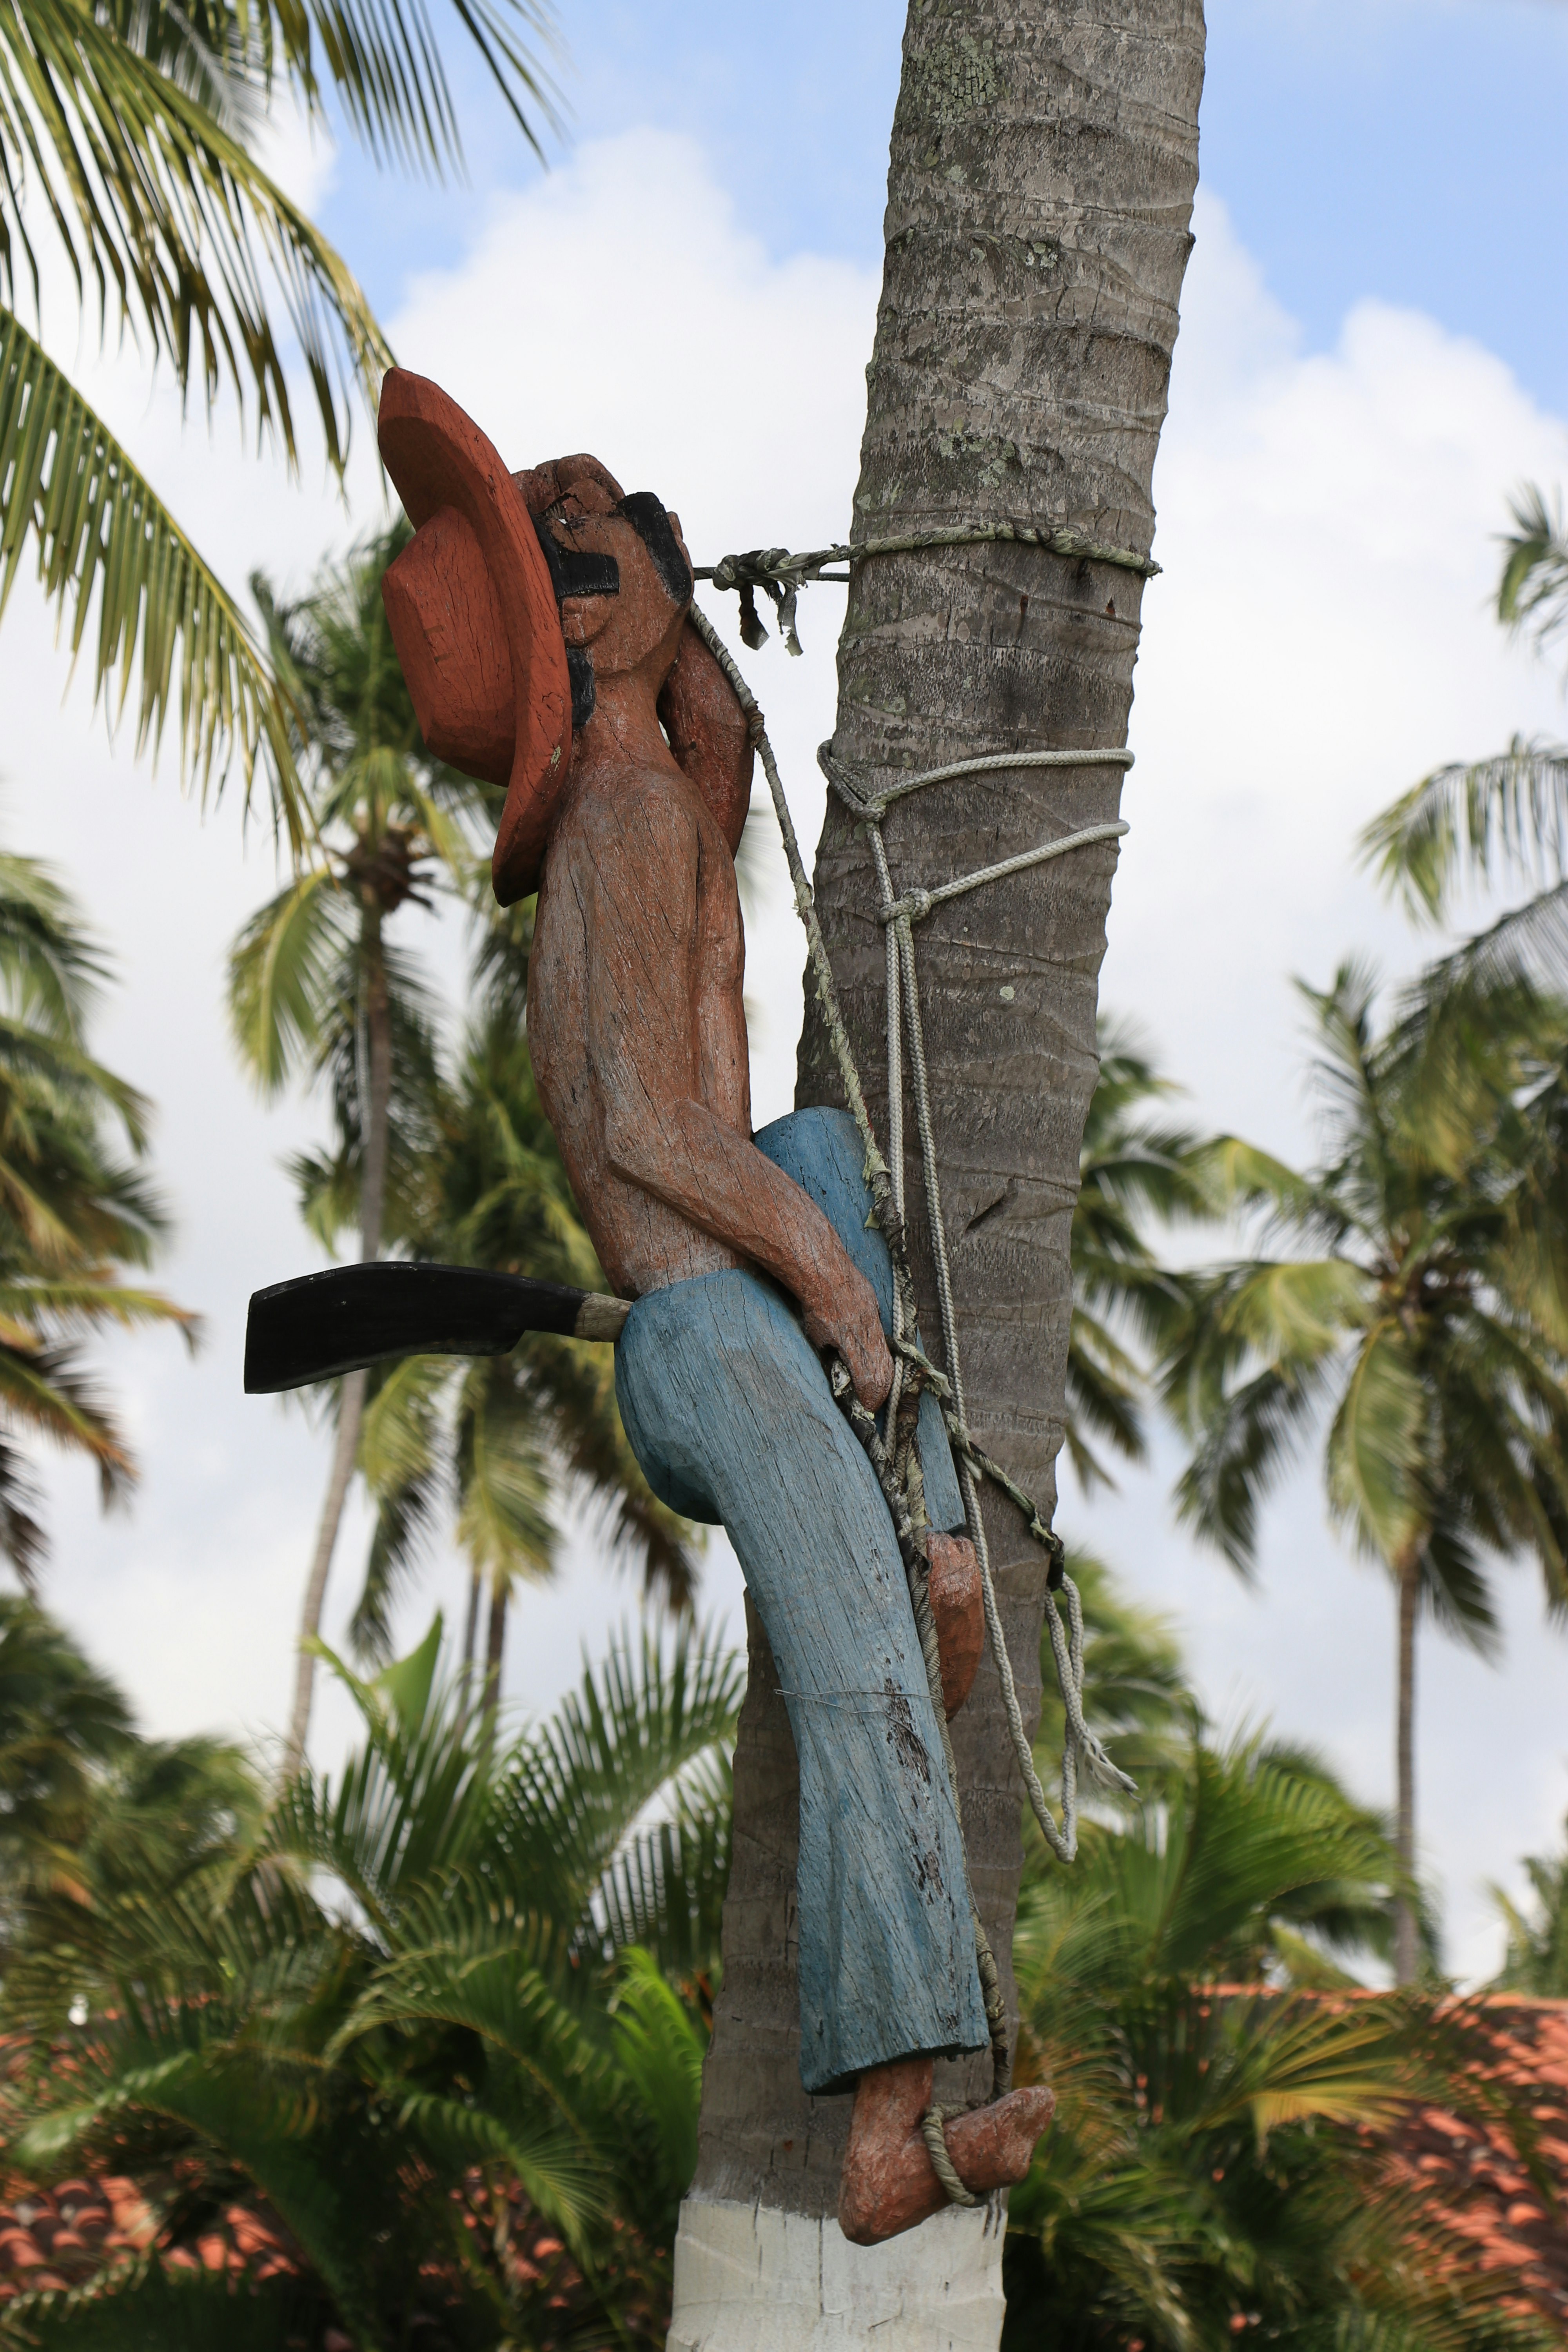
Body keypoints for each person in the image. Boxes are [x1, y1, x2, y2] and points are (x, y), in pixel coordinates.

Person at [377, 368, 1054, 2245]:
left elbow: (730, 853)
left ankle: (931, 1560)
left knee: (822, 1146)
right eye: (594, 516)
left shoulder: (666, 793)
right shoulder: (615, 830)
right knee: (851, 1688)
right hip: (702, 1333)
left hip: (745, 1290)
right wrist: (841, 1305)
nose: (636, 510)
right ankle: (885, 2142)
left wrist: (700, 675)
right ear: (571, 614)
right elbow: (662, 1130)